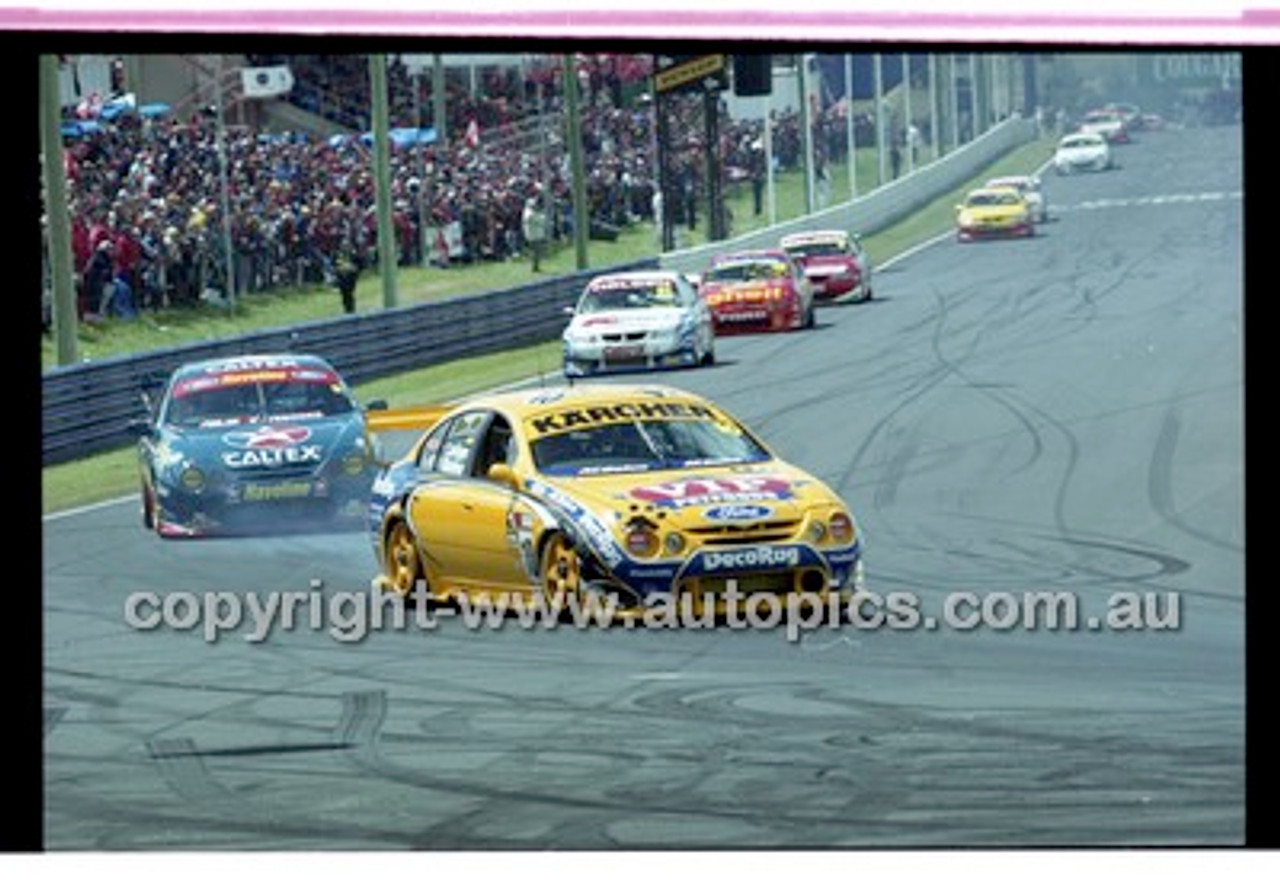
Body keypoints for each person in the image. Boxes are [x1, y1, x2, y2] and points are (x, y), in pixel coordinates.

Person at [521, 195, 548, 273]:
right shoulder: (529, 213)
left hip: (537, 233)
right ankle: (534, 266)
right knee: (536, 251)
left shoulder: (534, 212)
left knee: (538, 251)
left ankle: (536, 266)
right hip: (533, 234)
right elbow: (538, 220)